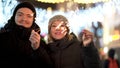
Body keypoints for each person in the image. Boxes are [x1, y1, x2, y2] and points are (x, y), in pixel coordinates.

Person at [0, 2, 53, 68]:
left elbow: (48, 65)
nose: (24, 19)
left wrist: (37, 49)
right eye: (20, 15)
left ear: (33, 20)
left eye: (29, 16)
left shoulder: (39, 42)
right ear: (14, 17)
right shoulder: (3, 37)